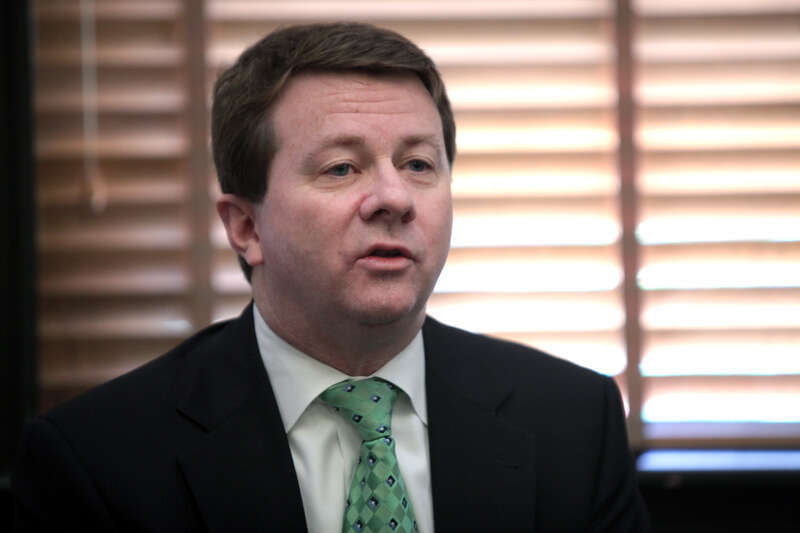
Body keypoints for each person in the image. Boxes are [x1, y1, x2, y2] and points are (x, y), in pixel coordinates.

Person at [13, 22, 650, 532]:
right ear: (246, 228)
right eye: (343, 168)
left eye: (420, 164)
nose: (395, 198)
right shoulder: (97, 460)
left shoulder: (571, 421)